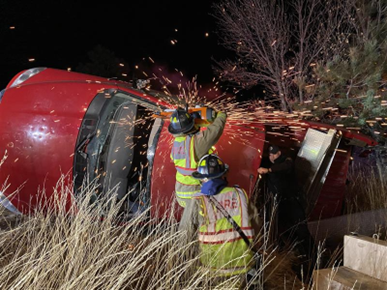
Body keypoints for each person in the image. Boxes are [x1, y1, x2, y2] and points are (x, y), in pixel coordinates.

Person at [192, 154, 258, 289]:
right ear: (223, 175)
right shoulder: (240, 194)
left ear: (202, 180)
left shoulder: (198, 201)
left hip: (212, 267)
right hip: (243, 263)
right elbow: (257, 223)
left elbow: (186, 231)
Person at [258, 145, 316, 279]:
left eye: (274, 154)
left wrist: (268, 170)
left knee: (301, 232)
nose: (271, 157)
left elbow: (286, 166)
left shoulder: (286, 162)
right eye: (270, 154)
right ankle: (296, 259)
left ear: (279, 153)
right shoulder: (271, 162)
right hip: (281, 205)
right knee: (285, 232)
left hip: (292, 204)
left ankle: (312, 258)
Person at [169, 107, 227, 236]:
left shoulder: (177, 142)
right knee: (195, 230)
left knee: (192, 226)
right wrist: (221, 115)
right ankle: (189, 253)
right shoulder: (196, 143)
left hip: (181, 191)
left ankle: (187, 252)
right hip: (194, 193)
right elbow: (214, 131)